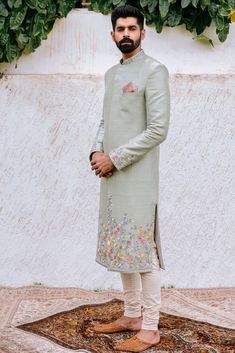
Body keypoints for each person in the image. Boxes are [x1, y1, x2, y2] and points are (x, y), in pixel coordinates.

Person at [89, 4, 170, 352]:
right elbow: (105, 121)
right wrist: (95, 151)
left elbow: (158, 129)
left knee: (143, 252)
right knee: (122, 245)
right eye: (120, 29)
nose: (126, 34)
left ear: (142, 33)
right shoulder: (111, 74)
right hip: (111, 175)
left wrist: (115, 158)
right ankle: (132, 314)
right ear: (112, 35)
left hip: (136, 176)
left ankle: (150, 328)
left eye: (132, 28)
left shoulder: (155, 71)